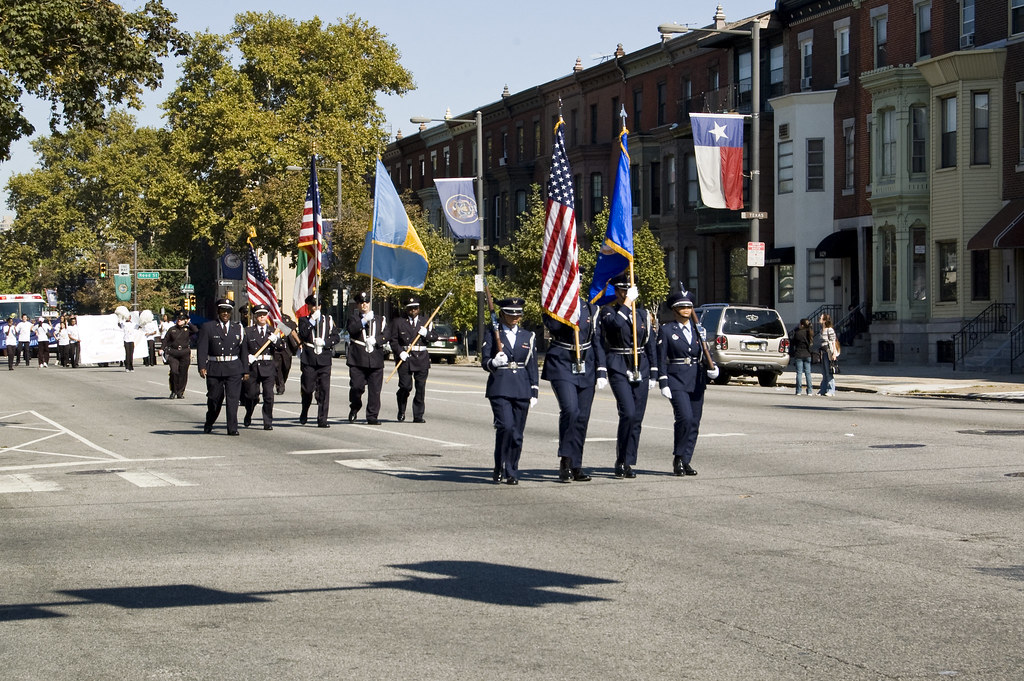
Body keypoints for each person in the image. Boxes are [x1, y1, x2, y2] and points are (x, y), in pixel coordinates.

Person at [594, 274, 658, 478]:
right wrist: (627, 303)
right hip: (618, 365)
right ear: (617, 292)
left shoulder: (642, 314)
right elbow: (614, 327)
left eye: (628, 290)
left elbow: (649, 342)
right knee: (628, 413)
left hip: (642, 366)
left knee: (637, 418)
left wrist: (655, 371)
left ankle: (628, 461)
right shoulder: (608, 311)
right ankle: (621, 458)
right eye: (622, 290)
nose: (625, 293)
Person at [657, 291, 719, 477]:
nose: (686, 310)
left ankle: (686, 459)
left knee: (694, 422)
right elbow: (661, 358)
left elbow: (705, 352)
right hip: (676, 378)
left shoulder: (698, 329)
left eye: (689, 307)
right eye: (682, 307)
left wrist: (712, 366)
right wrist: (663, 381)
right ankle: (678, 457)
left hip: (697, 378)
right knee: (684, 417)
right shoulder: (667, 330)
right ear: (674, 310)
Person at [542, 295, 600, 482]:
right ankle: (565, 459)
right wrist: (568, 311)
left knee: (582, 417)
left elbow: (595, 339)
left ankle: (577, 465)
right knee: (570, 410)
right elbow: (554, 327)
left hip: (586, 364)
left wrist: (602, 369)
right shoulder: (554, 304)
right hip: (562, 362)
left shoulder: (591, 309)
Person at [481, 297, 538, 485]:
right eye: (511, 314)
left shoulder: (528, 336)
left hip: (522, 387)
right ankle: (499, 465)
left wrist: (534, 390)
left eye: (518, 314)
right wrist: (494, 362)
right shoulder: (492, 333)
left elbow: (531, 365)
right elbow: (484, 362)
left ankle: (512, 469)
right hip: (501, 386)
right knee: (505, 427)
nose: (515, 317)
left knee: (517, 433)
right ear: (502, 314)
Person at [197, 298, 247, 435]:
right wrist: (202, 366)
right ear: (218, 311)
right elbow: (202, 348)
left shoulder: (238, 328)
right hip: (215, 367)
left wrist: (245, 370)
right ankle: (210, 421)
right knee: (214, 399)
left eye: (228, 311)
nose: (225, 313)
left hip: (233, 368)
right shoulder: (209, 327)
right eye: (222, 310)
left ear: (231, 312)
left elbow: (243, 350)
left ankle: (232, 428)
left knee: (233, 400)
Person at [388, 295, 438, 423]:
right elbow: (393, 340)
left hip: (421, 358)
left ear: (419, 309)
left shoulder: (426, 321)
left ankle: (418, 415)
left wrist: (427, 333)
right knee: (405, 387)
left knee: (420, 388)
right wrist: (400, 352)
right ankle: (402, 409)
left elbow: (434, 337)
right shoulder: (399, 322)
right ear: (406, 309)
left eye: (415, 308)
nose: (413, 311)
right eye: (410, 309)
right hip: (405, 358)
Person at [298, 295, 340, 428]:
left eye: (318, 305)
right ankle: (305, 410)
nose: (316, 307)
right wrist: (311, 321)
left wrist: (325, 342)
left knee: (324, 390)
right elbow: (303, 335)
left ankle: (322, 419)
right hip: (309, 358)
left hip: (324, 358)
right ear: (309, 306)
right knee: (308, 388)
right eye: (313, 305)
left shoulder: (328, 320)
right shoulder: (304, 320)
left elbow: (336, 337)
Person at [346, 291, 386, 425]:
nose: (364, 304)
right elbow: (352, 330)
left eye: (367, 302)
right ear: (357, 305)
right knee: (357, 387)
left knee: (375, 391)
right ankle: (355, 406)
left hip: (375, 358)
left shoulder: (380, 319)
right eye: (361, 302)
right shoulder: (354, 318)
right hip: (358, 359)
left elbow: (387, 334)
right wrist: (364, 320)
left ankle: (372, 416)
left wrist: (377, 340)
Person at [242, 304, 280, 430]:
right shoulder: (248, 331)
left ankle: (268, 421)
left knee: (269, 396)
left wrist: (276, 341)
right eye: (259, 314)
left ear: (267, 316)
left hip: (268, 367)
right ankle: (249, 413)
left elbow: (282, 348)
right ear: (256, 316)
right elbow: (242, 349)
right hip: (253, 367)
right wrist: (247, 357)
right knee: (251, 395)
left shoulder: (273, 331)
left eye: (264, 314)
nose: (262, 316)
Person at [163, 310, 197, 398]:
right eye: (178, 319)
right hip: (173, 353)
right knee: (174, 372)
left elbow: (196, 330)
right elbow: (166, 340)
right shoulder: (172, 329)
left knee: (183, 373)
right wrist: (162, 349)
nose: (179, 321)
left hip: (184, 353)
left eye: (182, 319)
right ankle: (173, 390)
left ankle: (180, 392)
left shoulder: (188, 329)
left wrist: (189, 323)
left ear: (185, 320)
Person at [273, 312, 301, 395]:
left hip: (286, 346)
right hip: (275, 346)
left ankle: (282, 382)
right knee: (277, 367)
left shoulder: (286, 318)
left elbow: (292, 331)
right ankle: (280, 386)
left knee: (286, 366)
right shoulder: (270, 318)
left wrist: (299, 343)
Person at [790, 318, 814, 396]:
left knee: (799, 373)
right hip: (807, 354)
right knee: (808, 373)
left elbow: (793, 342)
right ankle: (810, 390)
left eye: (800, 324)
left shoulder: (798, 333)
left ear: (802, 325)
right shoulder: (809, 333)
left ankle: (799, 390)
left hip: (799, 354)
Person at [817, 313, 838, 397]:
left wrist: (834, 353)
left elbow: (833, 341)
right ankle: (823, 389)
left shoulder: (830, 330)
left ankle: (831, 390)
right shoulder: (821, 330)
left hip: (828, 351)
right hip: (822, 352)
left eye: (821, 318)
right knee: (824, 371)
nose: (819, 319)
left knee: (829, 371)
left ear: (825, 320)